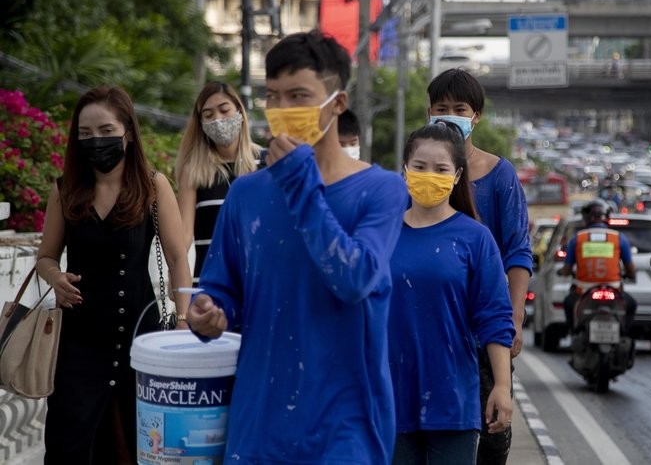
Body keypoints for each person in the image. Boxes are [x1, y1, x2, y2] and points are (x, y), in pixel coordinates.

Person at [185, 30, 408, 463]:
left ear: (337, 104)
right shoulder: (245, 195)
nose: (283, 110)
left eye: (299, 96)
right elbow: (220, 291)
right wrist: (208, 313)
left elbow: (354, 277)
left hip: (347, 430)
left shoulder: (382, 191)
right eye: (274, 96)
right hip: (259, 427)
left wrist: (299, 182)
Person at [35, 86, 192, 463]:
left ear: (128, 132)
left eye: (106, 131)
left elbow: (177, 258)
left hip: (140, 336)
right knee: (69, 443)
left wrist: (183, 317)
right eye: (85, 134)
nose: (96, 141)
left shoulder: (154, 186)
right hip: (80, 341)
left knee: (140, 446)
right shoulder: (65, 190)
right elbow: (45, 257)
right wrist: (55, 277)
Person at [389, 121, 515, 464]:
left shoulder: (475, 238)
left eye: (440, 168)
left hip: (453, 401)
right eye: (419, 166)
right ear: (405, 170)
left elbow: (494, 317)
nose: (429, 175)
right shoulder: (380, 234)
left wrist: (502, 387)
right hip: (388, 400)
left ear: (457, 175)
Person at [427, 68, 532, 464]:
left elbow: (518, 252)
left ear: (476, 116)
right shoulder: (420, 175)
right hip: (431, 329)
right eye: (441, 108)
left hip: (484, 333)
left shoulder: (500, 175)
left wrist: (515, 319)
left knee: (489, 437)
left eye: (459, 108)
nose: (449, 114)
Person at [175, 81, 263, 285]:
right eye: (208, 115)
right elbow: (184, 234)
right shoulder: (194, 171)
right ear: (201, 124)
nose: (218, 120)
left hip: (259, 283)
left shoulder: (266, 162)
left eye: (224, 110)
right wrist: (176, 274)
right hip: (210, 286)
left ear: (239, 111)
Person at [558, 199, 637, 333]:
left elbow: (567, 269)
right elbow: (631, 269)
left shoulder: (577, 238)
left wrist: (562, 272)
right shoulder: (618, 238)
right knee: (631, 305)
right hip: (614, 289)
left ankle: (574, 334)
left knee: (568, 303)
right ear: (606, 217)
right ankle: (624, 334)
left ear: (586, 218)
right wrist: (630, 275)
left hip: (584, 290)